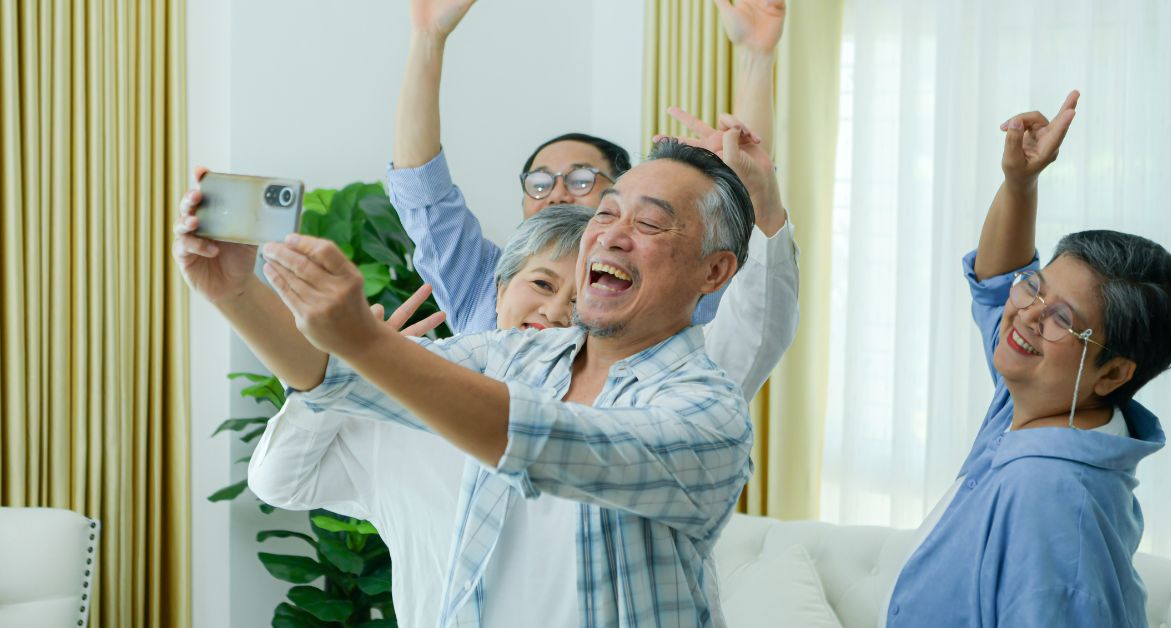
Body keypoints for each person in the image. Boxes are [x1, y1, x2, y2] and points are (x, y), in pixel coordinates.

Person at [175, 136, 767, 626]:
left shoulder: (707, 413)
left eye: (651, 224)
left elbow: (549, 445)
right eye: (608, 212)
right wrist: (236, 292)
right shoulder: (516, 353)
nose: (611, 234)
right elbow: (342, 382)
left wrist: (365, 339)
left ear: (714, 271)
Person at [882, 91, 1171, 627]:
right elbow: (997, 283)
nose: (1028, 314)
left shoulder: (1051, 499)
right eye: (1037, 286)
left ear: (1115, 373)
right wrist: (1020, 183)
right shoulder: (1043, 399)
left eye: (1062, 318)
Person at [389, 0, 796, 362]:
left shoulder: (660, 297)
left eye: (582, 179)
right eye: (540, 182)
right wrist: (428, 37)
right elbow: (423, 191)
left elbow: (742, 203)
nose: (558, 193)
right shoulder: (491, 284)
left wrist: (756, 58)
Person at [248, 204, 592, 628]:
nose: (555, 311)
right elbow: (279, 483)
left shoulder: (610, 425)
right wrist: (353, 376)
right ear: (500, 289)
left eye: (581, 301)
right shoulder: (406, 405)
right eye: (542, 283)